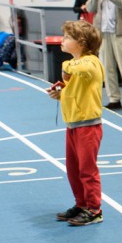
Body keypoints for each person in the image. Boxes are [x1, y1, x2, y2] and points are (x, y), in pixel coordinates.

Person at [46, 21, 105, 226]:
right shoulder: (74, 64)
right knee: (73, 170)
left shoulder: (91, 62)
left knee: (87, 170)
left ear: (81, 42)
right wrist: (60, 94)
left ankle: (94, 210)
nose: (62, 40)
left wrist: (66, 67)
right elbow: (74, 89)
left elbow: (82, 69)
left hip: (88, 126)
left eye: (67, 37)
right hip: (72, 125)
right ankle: (82, 204)